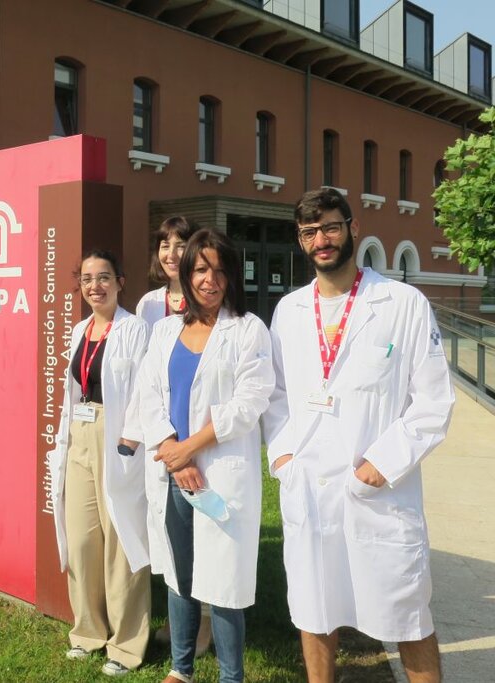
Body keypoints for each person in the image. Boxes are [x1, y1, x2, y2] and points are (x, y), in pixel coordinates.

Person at [263, 188, 454, 683]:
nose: (321, 240)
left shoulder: (402, 303)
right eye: (309, 232)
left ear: (352, 228)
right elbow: (276, 394)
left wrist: (381, 465)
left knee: (407, 614)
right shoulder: (288, 311)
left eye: (329, 227)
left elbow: (432, 402)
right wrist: (283, 457)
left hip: (378, 493)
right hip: (308, 489)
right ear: (301, 241)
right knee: (313, 609)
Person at [124, 228, 273, 683]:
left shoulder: (248, 330)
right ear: (186, 274)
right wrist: (175, 452)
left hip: (221, 472)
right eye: (200, 269)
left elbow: (250, 402)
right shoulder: (167, 329)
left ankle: (231, 676)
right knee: (178, 569)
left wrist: (190, 448)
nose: (210, 279)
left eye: (220, 269)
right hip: (174, 472)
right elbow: (148, 394)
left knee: (224, 579)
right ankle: (181, 668)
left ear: (232, 275)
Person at [49, 250, 151, 677]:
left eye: (104, 277)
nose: (96, 286)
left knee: (122, 541)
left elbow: (147, 390)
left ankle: (126, 645)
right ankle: (88, 631)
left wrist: (130, 439)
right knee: (83, 540)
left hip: (119, 437)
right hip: (80, 437)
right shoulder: (78, 331)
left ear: (120, 282)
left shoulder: (135, 329)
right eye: (88, 279)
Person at [132, 215, 213, 655]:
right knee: (167, 533)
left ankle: (203, 628)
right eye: (163, 243)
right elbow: (145, 378)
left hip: (200, 437)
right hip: (160, 436)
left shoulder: (208, 300)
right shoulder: (148, 305)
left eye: (180, 244)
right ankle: (178, 619)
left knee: (202, 535)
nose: (170, 252)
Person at [135, 216, 196, 328]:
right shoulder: (148, 302)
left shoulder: (206, 301)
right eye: (165, 246)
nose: (171, 255)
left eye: (181, 246)